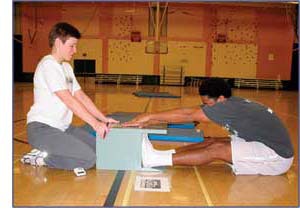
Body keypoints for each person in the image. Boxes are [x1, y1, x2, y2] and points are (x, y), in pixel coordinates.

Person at [123, 78, 294, 175]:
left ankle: (154, 160)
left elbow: (189, 114)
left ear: (220, 98)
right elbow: (189, 115)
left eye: (207, 103)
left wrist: (149, 116)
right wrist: (150, 122)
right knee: (210, 141)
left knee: (217, 150)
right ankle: (160, 154)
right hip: (258, 143)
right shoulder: (231, 103)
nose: (206, 107)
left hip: (276, 157)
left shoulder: (228, 107)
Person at [22, 22, 118, 170]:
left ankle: (49, 153)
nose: (75, 50)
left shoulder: (66, 67)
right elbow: (68, 99)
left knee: (102, 151)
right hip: (42, 129)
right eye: (72, 46)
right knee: (88, 159)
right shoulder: (48, 65)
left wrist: (103, 119)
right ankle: (41, 158)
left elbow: (81, 96)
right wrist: (95, 124)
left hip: (63, 128)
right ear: (58, 43)